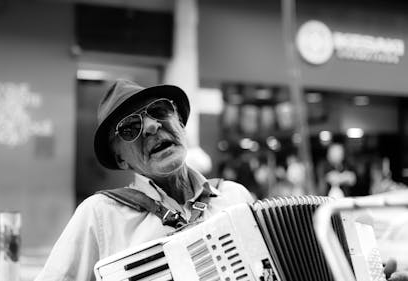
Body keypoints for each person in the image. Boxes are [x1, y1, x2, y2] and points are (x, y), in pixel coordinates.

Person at [34, 79, 255, 281]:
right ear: (120, 158)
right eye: (130, 128)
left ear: (179, 120)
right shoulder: (99, 215)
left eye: (159, 110)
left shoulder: (234, 196)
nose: (151, 126)